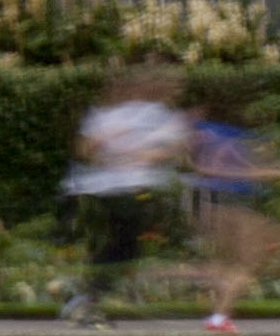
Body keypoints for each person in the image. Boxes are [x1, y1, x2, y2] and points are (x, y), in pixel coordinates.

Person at [68, 68, 190, 271]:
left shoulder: (158, 115)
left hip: (138, 187)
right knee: (124, 240)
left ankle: (104, 277)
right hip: (112, 189)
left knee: (128, 240)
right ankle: (100, 278)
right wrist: (102, 151)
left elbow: (175, 149)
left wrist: (144, 156)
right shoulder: (103, 115)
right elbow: (84, 150)